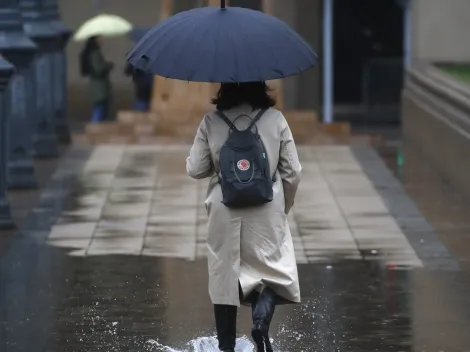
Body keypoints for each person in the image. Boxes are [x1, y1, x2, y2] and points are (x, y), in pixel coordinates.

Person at [186, 82, 302, 352]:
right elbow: (293, 171)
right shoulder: (276, 120)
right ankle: (260, 319)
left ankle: (225, 347)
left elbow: (195, 168)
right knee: (272, 271)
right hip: (267, 207)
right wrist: (283, 206)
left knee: (224, 276)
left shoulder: (211, 121)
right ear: (260, 86)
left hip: (224, 210)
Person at [79, 35, 114, 122]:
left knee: (99, 107)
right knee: (99, 109)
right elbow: (98, 69)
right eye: (100, 39)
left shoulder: (89, 53)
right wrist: (108, 65)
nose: (102, 41)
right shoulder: (95, 53)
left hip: (96, 85)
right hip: (99, 86)